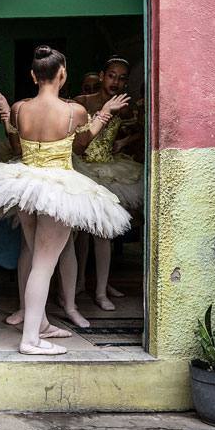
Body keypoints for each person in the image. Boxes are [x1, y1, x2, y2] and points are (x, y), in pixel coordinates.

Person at [0, 46, 131, 355]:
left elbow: (16, 146)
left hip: (24, 186)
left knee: (36, 257)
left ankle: (40, 325)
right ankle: (30, 341)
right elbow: (80, 145)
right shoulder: (73, 111)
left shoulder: (19, 109)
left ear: (33, 75)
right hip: (58, 188)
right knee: (43, 264)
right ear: (63, 74)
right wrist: (105, 115)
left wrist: (2, 109)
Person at [72, 56, 143, 311]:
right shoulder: (82, 102)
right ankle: (79, 282)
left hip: (110, 172)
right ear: (102, 75)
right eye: (112, 75)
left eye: (123, 77)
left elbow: (140, 131)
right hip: (82, 169)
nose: (117, 81)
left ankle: (101, 291)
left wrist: (123, 143)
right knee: (80, 231)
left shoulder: (124, 107)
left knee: (103, 232)